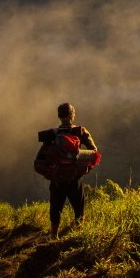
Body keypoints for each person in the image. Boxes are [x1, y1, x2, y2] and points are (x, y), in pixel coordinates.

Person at [35, 102, 99, 238]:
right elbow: (94, 152)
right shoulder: (80, 131)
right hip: (75, 178)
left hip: (57, 179)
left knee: (56, 208)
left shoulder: (52, 134)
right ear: (72, 115)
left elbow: (38, 161)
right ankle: (78, 237)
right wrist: (84, 167)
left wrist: (50, 174)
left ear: (59, 116)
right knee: (79, 209)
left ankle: (54, 236)